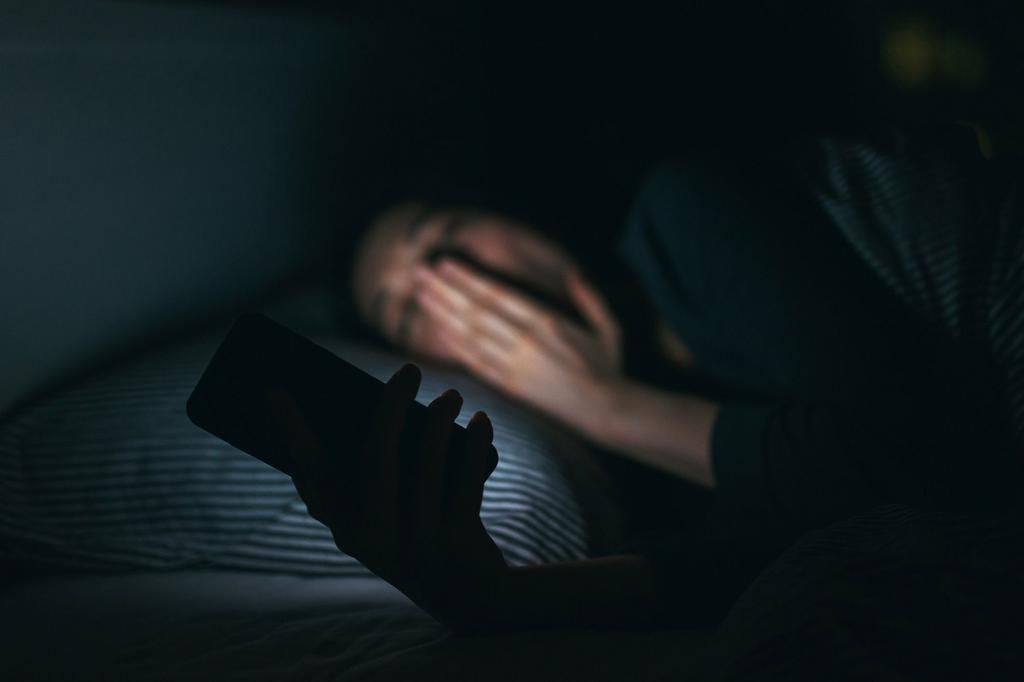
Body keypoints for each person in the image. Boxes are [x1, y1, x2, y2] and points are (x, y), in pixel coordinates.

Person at [270, 123, 1022, 633]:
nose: (448, 283)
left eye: (441, 236)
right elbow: (790, 560)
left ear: (504, 211)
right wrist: (492, 599)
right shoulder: (637, 481)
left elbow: (935, 480)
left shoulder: (683, 212)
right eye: (405, 311)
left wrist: (607, 405)